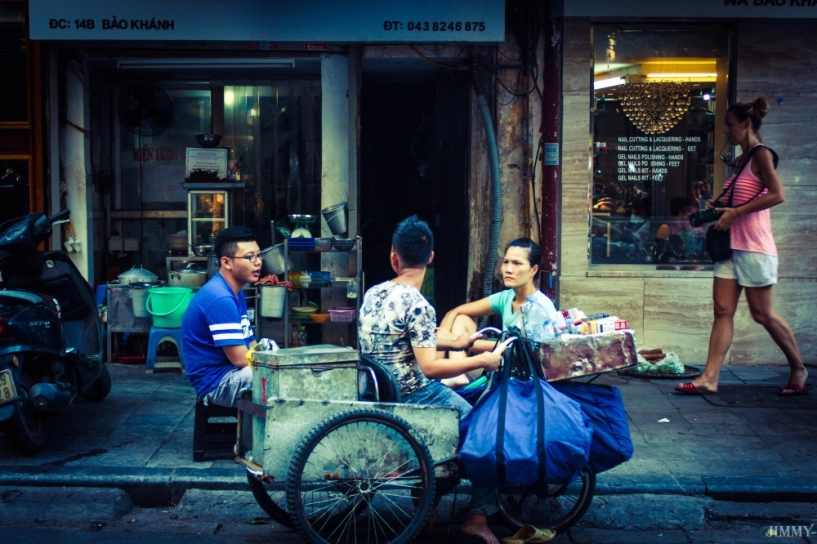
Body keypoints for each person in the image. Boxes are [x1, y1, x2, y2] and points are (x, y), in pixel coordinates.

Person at [358, 215, 507, 544]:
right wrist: (481, 359)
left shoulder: (375, 293)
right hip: (412, 393)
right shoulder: (418, 305)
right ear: (432, 258)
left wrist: (457, 341)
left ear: (393, 256)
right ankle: (477, 518)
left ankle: (426, 502)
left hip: (377, 386)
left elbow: (403, 337)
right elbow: (429, 368)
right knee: (484, 432)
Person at [676, 98, 808, 396]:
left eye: (730, 125)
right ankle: (709, 378)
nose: (726, 131)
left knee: (763, 314)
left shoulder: (761, 154)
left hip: (754, 246)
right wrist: (722, 206)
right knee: (722, 310)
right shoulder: (741, 159)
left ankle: (798, 367)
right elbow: (744, 198)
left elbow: (778, 194)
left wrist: (736, 212)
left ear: (746, 124)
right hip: (729, 248)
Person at [436, 238, 560, 387]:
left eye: (517, 263)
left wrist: (455, 342)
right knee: (461, 318)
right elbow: (454, 312)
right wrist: (439, 355)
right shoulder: (507, 297)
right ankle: (457, 376)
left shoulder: (539, 308)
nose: (508, 269)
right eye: (506, 262)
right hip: (501, 366)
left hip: (522, 379)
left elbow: (514, 349)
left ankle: (455, 376)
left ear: (533, 270)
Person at [182, 226, 262, 407]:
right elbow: (241, 359)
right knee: (273, 377)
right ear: (226, 262)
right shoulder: (220, 298)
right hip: (216, 383)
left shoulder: (235, 292)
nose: (257, 262)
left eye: (258, 255)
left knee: (271, 352)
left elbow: (251, 344)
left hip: (231, 372)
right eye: (249, 257)